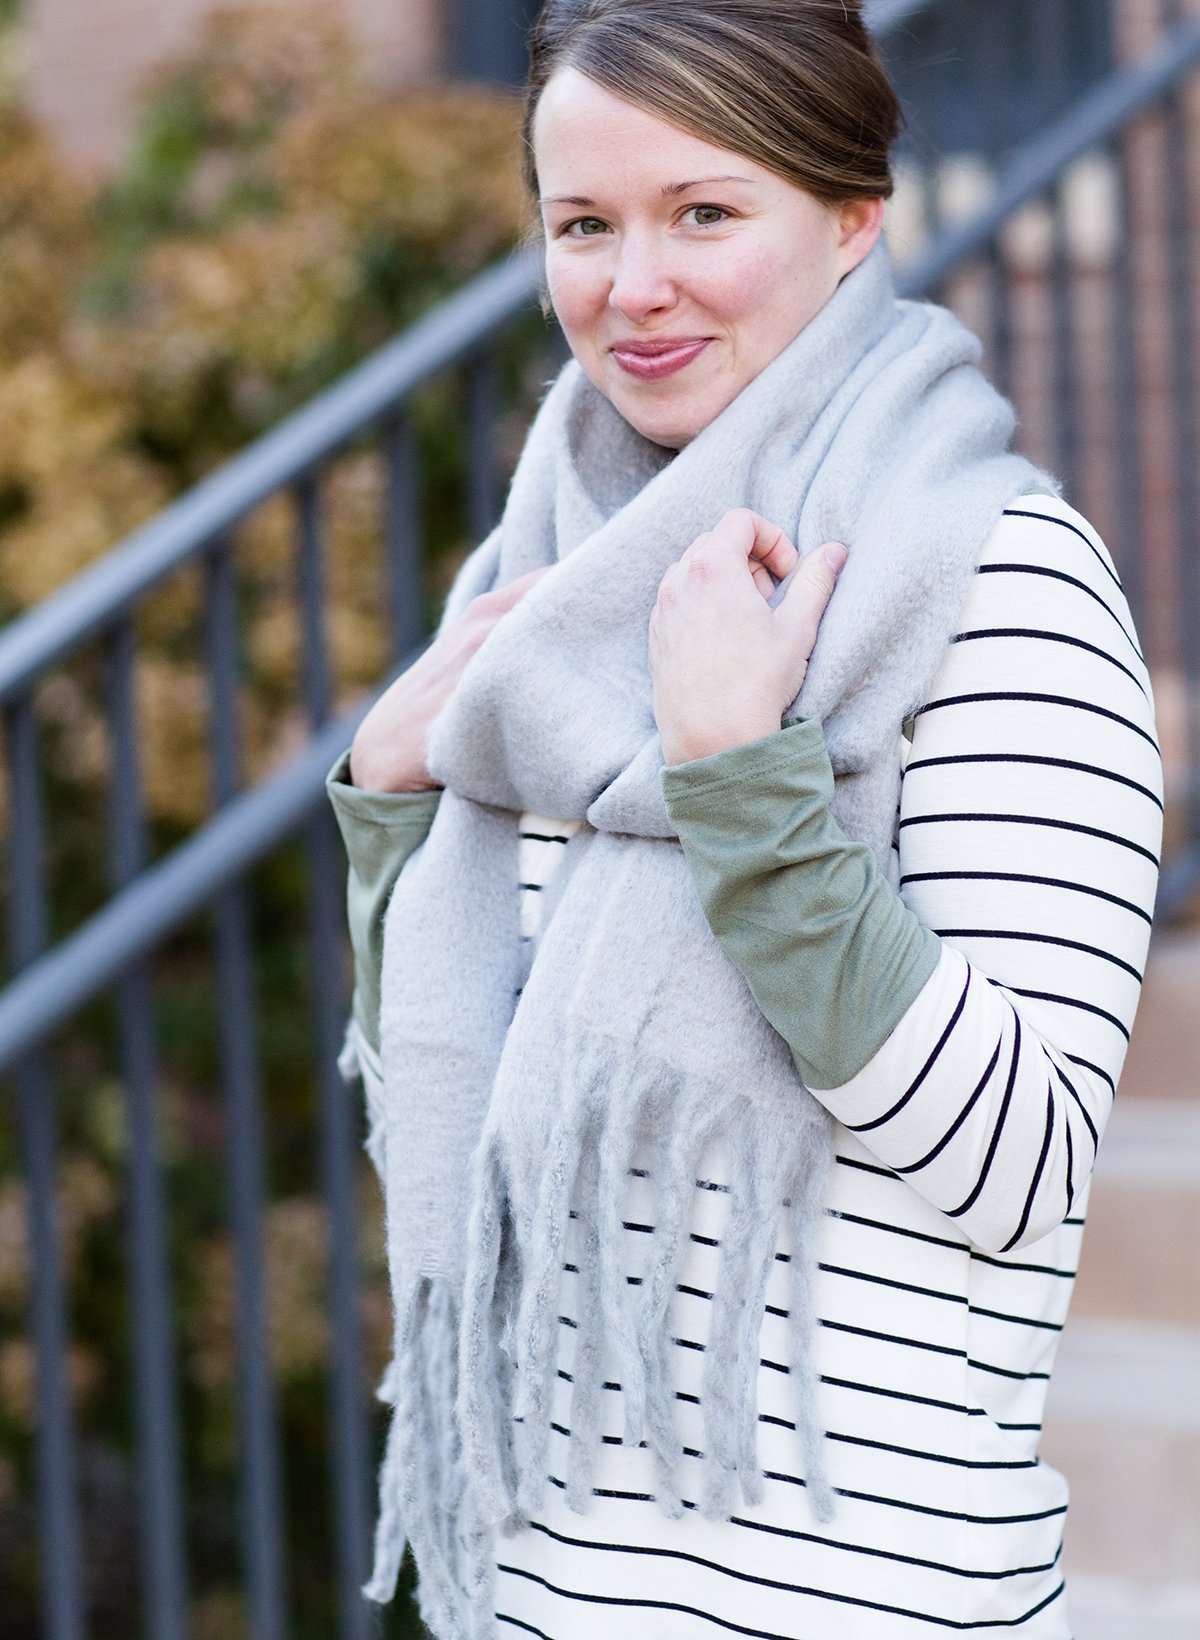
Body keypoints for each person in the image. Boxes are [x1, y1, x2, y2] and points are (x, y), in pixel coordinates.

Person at [327, 2, 1163, 1634]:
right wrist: (390, 810)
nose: (631, 287)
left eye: (704, 212)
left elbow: (1016, 1166)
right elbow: (463, 1111)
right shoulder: (531, 604)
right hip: (542, 1588)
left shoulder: (997, 582)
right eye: (584, 224)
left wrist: (746, 794)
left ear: (854, 218)